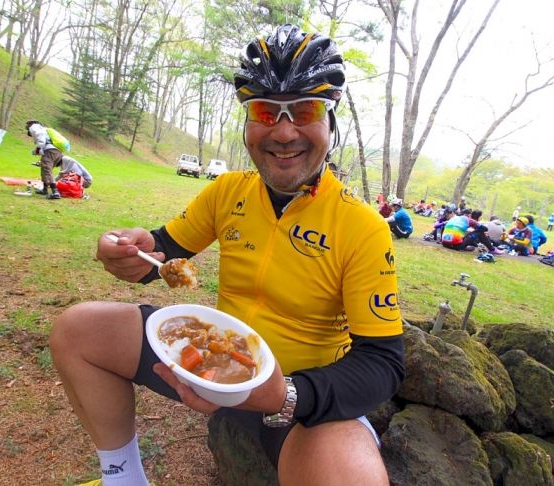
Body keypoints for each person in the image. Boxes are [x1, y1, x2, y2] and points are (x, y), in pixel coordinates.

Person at [49, 24, 405, 486]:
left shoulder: (362, 227)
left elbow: (382, 363)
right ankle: (123, 478)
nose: (283, 131)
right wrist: (128, 251)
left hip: (299, 401)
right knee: (78, 330)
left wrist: (287, 394)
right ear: (247, 121)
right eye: (264, 110)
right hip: (208, 361)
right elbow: (162, 253)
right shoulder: (227, 191)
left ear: (330, 123)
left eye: (304, 109)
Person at [26, 120, 63, 199]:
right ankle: (44, 189)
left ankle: (55, 192)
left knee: (46, 170)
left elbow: (41, 138)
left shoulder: (34, 127)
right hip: (57, 152)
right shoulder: (43, 129)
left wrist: (38, 148)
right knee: (46, 170)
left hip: (50, 151)